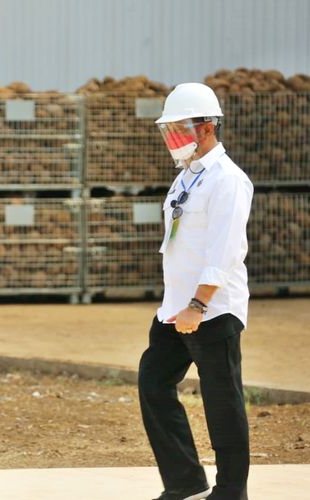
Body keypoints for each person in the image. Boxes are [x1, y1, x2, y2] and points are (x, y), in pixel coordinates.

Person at [138, 83, 254, 500]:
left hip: (211, 310)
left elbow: (225, 249)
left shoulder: (228, 180)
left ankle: (230, 491)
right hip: (175, 309)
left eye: (176, 129)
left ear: (204, 128)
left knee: (222, 400)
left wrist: (198, 303)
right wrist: (175, 305)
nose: (171, 139)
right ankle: (185, 482)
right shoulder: (188, 175)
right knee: (153, 383)